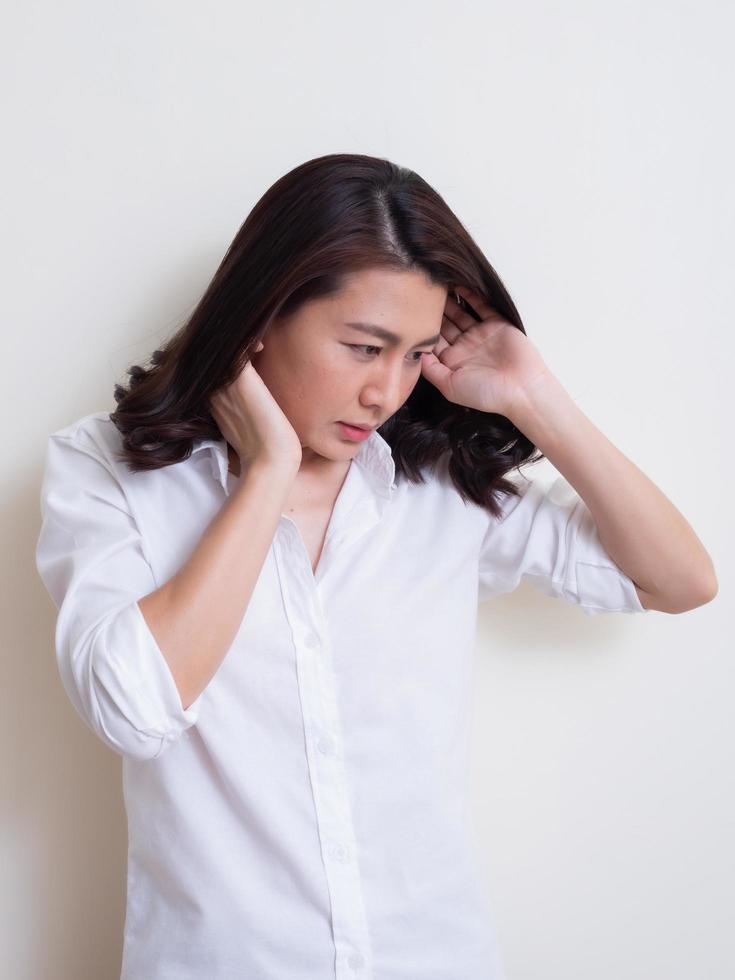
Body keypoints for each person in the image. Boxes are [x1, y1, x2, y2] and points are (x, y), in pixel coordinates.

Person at [35, 153, 717, 980]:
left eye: (413, 355)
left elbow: (678, 582)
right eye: (363, 347)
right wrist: (265, 475)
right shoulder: (105, 472)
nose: (385, 393)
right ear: (260, 317)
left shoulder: (435, 486)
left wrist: (536, 396)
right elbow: (131, 710)